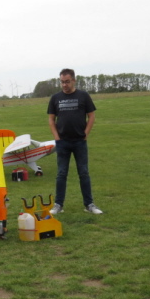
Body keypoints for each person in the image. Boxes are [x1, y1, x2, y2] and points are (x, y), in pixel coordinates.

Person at [47, 68, 103, 215]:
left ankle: (89, 205)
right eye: (62, 82)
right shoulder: (55, 98)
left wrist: (85, 134)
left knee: (83, 173)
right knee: (61, 174)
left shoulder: (83, 96)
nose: (64, 85)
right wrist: (57, 137)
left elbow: (91, 116)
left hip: (80, 142)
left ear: (73, 80)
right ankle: (58, 205)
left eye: (67, 82)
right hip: (62, 142)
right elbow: (51, 119)